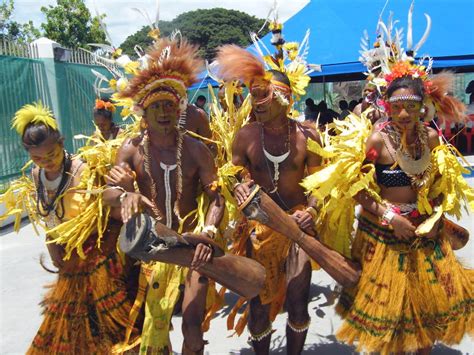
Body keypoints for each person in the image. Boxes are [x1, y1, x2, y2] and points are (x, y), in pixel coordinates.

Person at [302, 11, 473, 353]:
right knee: (388, 323)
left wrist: (434, 216)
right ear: (387, 107)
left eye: (411, 106)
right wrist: (389, 216)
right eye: (397, 108)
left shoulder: (433, 139)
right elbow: (357, 187)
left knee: (424, 316)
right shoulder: (376, 142)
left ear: (423, 106)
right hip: (383, 233)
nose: (405, 114)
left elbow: (438, 187)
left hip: (424, 235)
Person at [103, 36, 224, 354]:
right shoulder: (130, 150)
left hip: (190, 249)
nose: (164, 112)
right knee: (149, 328)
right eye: (156, 106)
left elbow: (218, 198)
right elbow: (109, 194)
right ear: (143, 111)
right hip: (148, 250)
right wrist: (122, 194)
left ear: (180, 106)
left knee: (192, 326)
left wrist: (208, 232)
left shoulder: (197, 151)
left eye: (169, 104)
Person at [214, 31, 321, 353]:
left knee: (299, 303)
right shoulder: (245, 135)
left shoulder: (308, 135)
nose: (254, 102)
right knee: (258, 306)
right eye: (251, 95)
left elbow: (320, 183)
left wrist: (311, 211)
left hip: (298, 227)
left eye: (261, 95)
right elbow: (232, 177)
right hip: (258, 228)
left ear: (283, 97)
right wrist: (239, 188)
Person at [1, 102, 135, 354]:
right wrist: (54, 249)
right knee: (72, 331)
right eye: (37, 157)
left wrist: (103, 250)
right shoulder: (35, 176)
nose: (46, 162)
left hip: (98, 260)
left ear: (61, 144)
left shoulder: (85, 171)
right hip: (67, 263)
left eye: (51, 154)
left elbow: (113, 216)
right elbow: (49, 220)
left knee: (112, 329)